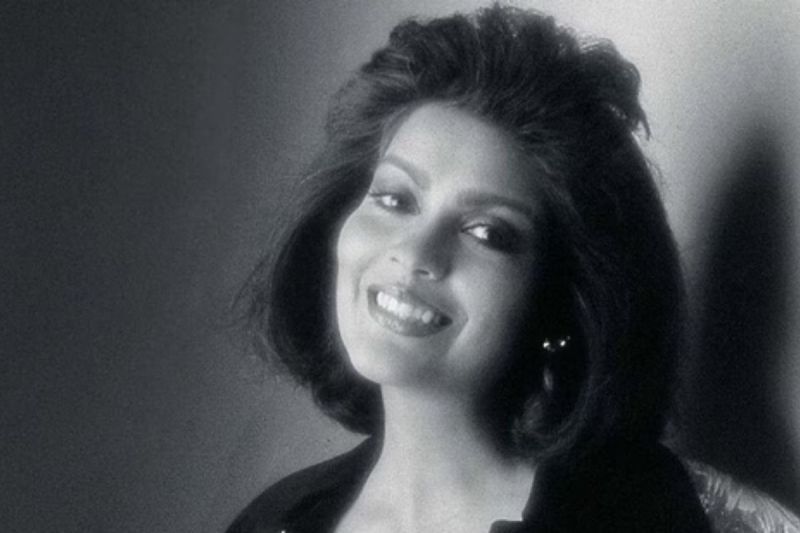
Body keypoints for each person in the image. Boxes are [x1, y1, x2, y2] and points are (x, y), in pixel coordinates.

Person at [228, 5, 798, 533]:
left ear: (562, 301)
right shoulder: (275, 518)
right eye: (395, 199)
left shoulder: (640, 512)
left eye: (487, 233)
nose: (417, 253)